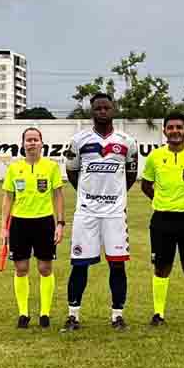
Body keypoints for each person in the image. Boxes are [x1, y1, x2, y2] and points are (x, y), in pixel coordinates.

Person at [64, 93, 138, 331]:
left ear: (113, 110)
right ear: (92, 111)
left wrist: (116, 197)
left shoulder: (127, 141)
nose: (102, 111)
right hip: (86, 213)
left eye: (106, 107)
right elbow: (72, 172)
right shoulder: (78, 141)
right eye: (98, 108)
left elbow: (131, 174)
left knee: (117, 265)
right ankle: (73, 315)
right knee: (79, 264)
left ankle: (117, 316)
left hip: (115, 214)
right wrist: (88, 195)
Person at [141, 112, 184, 327]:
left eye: (179, 127)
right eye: (171, 127)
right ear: (164, 131)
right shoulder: (155, 157)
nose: (175, 131)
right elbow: (146, 185)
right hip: (162, 220)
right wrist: (162, 201)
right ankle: (158, 313)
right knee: (161, 267)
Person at [0, 127, 65, 329]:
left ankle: (45, 313)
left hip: (44, 222)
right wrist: (4, 227)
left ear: (41, 143)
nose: (32, 143)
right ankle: (23, 313)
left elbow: (58, 196)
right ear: (23, 144)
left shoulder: (51, 167)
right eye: (28, 140)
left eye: (35, 139)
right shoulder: (14, 168)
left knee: (45, 268)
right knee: (21, 268)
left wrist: (60, 223)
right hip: (19, 223)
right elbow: (8, 198)